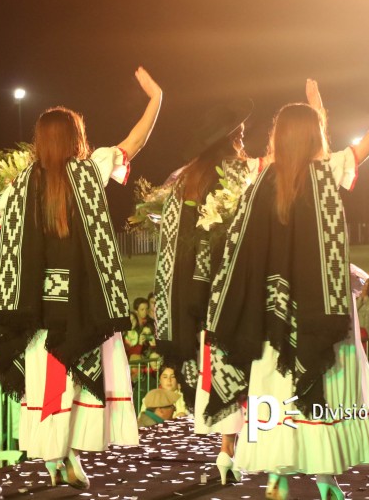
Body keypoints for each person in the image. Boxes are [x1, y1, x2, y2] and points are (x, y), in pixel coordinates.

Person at [204, 46, 369, 500]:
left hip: (273, 315)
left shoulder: (262, 180)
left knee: (274, 388)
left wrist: (314, 111)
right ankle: (325, 479)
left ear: (278, 137)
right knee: (324, 388)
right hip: (323, 310)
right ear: (315, 136)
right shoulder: (329, 171)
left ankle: (276, 475)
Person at [0, 67, 161, 489]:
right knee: (79, 379)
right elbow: (133, 142)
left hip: (37, 307)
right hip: (81, 302)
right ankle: (70, 458)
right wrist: (156, 99)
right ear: (75, 138)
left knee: (49, 384)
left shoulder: (21, 186)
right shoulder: (90, 170)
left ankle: (53, 459)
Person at [152, 105, 263, 483]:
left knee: (216, 364)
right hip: (234, 287)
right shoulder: (235, 173)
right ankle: (240, 449)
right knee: (243, 366)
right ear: (229, 141)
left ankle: (225, 451)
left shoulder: (185, 180)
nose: (244, 141)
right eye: (240, 135)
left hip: (196, 293)